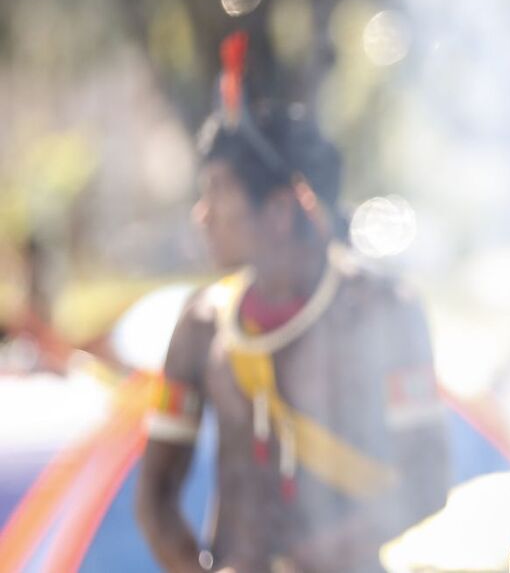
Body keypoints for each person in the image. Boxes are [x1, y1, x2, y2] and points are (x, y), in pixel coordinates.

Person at [135, 32, 449, 573]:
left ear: (280, 210)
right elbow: (154, 498)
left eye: (217, 192)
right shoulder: (201, 324)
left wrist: (312, 560)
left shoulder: (384, 311)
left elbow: (425, 482)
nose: (202, 215)